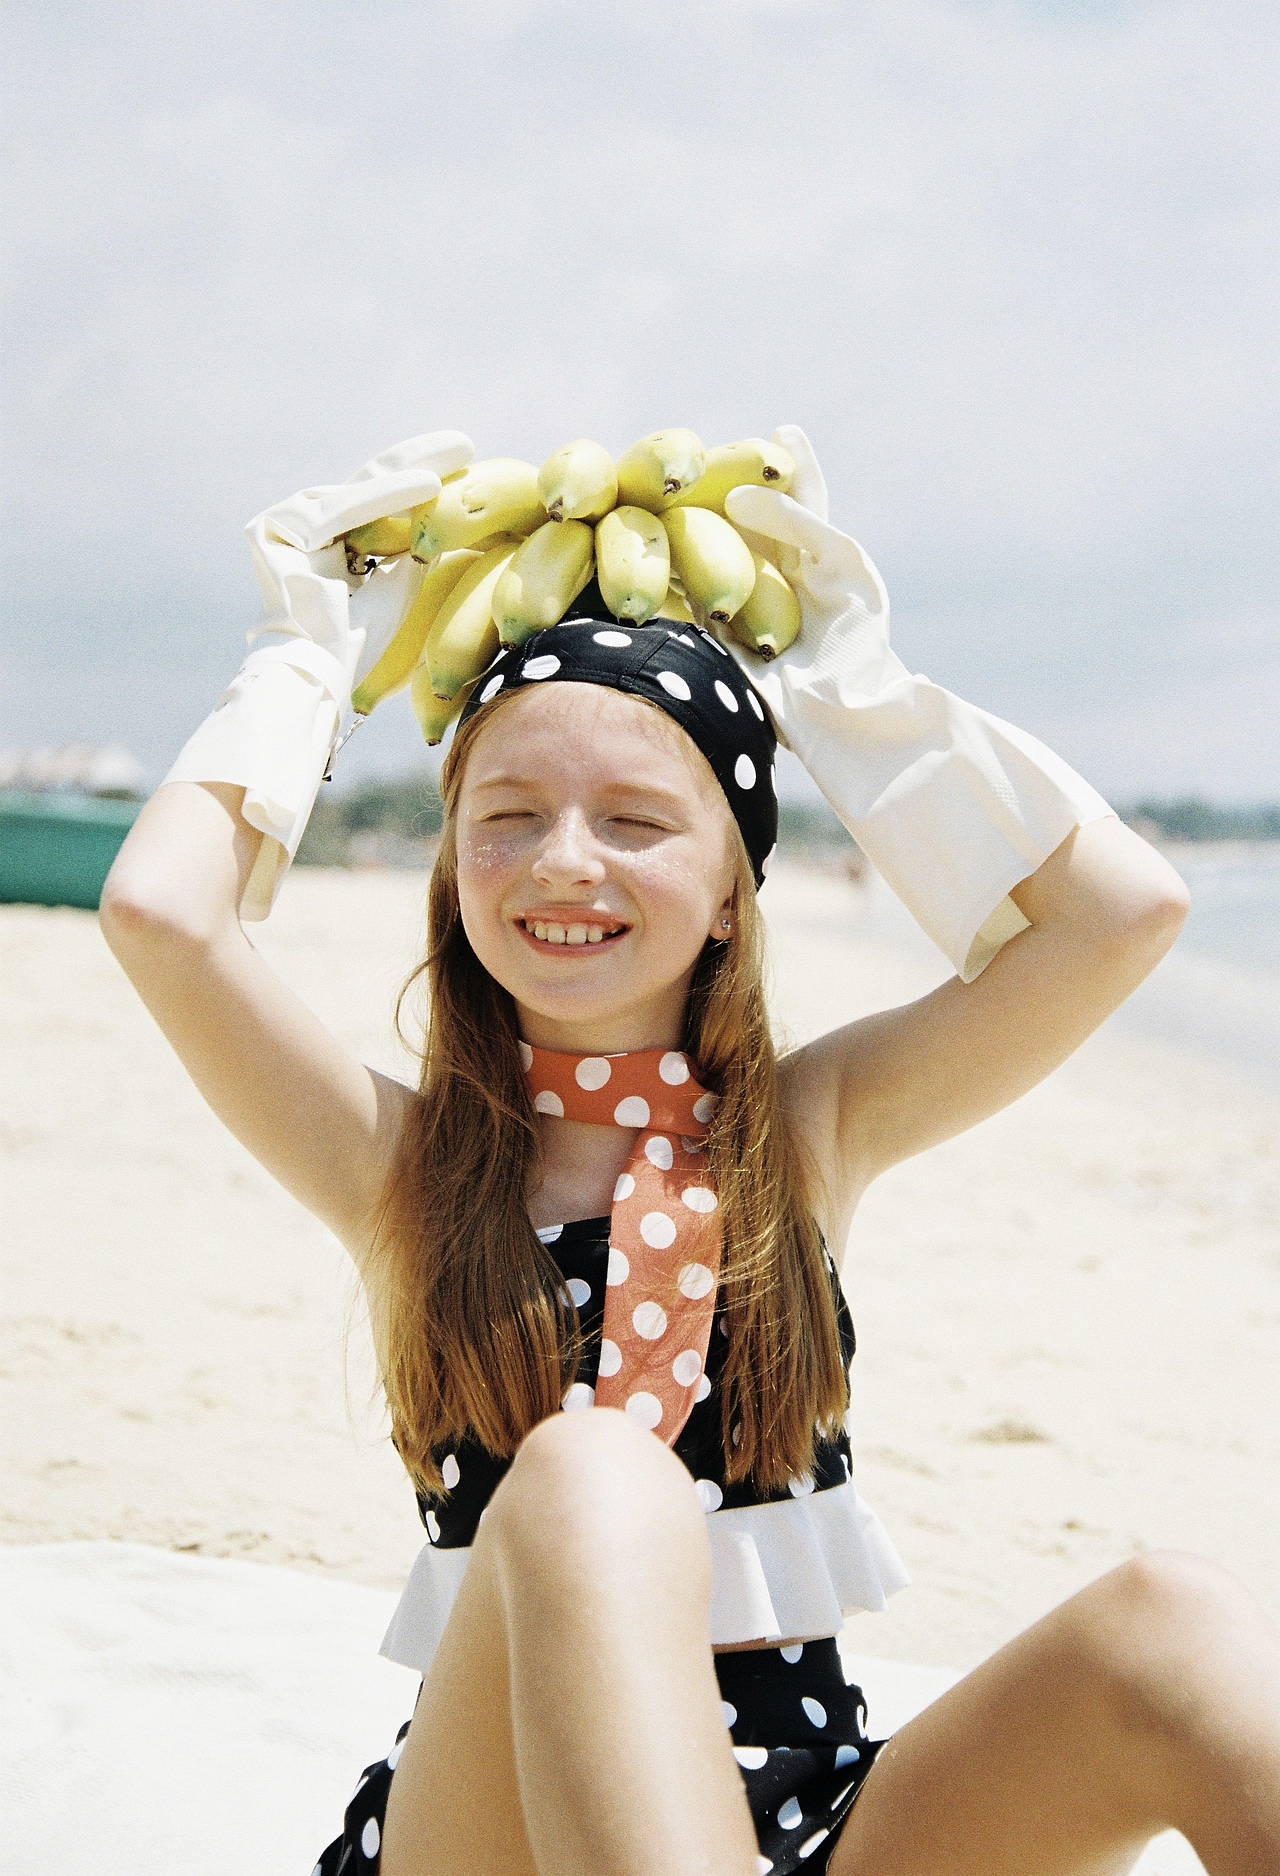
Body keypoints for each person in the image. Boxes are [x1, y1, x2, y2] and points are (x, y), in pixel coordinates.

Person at [100, 428, 1280, 1876]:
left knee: (1177, 1624)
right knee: (598, 1475)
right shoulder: (406, 1167)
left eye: (639, 820)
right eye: (507, 818)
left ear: (734, 887)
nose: (562, 861)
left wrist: (850, 692)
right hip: (493, 1832)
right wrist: (300, 654)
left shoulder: (808, 1134)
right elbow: (165, 918)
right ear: (452, 860)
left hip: (810, 1814)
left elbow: (1122, 915)